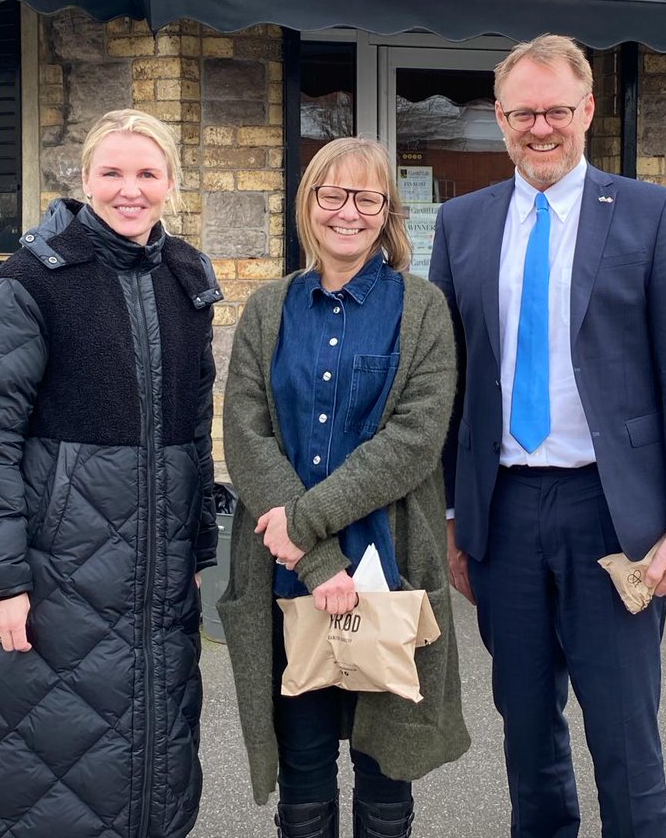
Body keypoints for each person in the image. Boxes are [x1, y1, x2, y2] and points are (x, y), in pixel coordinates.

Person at [429, 34, 666, 838]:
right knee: (527, 738)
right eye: (521, 113)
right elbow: (446, 389)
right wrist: (453, 521)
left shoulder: (647, 213)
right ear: (499, 117)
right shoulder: (460, 225)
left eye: (555, 111)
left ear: (585, 110)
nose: (538, 129)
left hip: (613, 513)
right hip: (505, 518)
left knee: (625, 740)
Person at [0, 108, 222, 838]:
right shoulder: (33, 278)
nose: (128, 190)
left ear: (170, 181)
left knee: (152, 769)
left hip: (157, 576)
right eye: (112, 172)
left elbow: (193, 429)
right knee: (38, 773)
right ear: (84, 178)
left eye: (146, 173)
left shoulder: (188, 275)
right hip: (54, 573)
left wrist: (197, 548)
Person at [219, 136, 470, 838]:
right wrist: (314, 560)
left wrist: (305, 528)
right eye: (332, 194)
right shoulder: (269, 308)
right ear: (309, 205)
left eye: (366, 197)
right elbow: (246, 435)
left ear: (386, 211)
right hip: (288, 578)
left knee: (385, 771)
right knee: (301, 771)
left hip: (389, 569)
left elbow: (414, 441)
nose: (348, 212)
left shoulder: (421, 309)